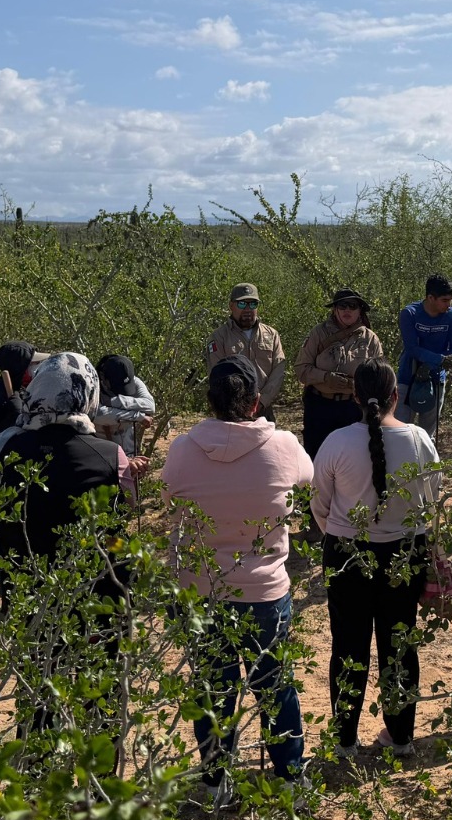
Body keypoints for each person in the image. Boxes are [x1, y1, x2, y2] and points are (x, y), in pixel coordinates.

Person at [161, 356, 313, 793]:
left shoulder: (182, 448)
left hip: (201, 590)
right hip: (265, 590)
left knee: (213, 688)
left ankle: (215, 782)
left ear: (209, 401)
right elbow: (307, 485)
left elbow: (169, 499)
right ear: (256, 402)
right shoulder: (284, 445)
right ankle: (289, 777)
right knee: (275, 685)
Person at [0, 353, 134, 738]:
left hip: (31, 596)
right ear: (87, 395)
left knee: (39, 693)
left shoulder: (7, 451)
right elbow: (119, 525)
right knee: (100, 693)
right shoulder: (111, 456)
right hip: (97, 597)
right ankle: (99, 768)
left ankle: (38, 767)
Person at [311, 358, 441, 757]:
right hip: (405, 552)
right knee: (399, 645)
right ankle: (401, 738)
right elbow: (432, 500)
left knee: (347, 646)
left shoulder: (335, 442)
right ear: (396, 395)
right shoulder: (419, 439)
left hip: (347, 553)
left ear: (354, 396)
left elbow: (319, 505)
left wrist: (342, 532)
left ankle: (344, 741)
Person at [296, 288, 385, 460]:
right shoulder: (318, 333)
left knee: (352, 459)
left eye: (352, 306)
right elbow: (301, 369)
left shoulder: (370, 339)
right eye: (342, 306)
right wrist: (325, 378)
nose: (347, 310)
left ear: (360, 310)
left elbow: (379, 377)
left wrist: (356, 384)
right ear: (335, 309)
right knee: (316, 457)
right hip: (320, 407)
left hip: (354, 408)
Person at [397, 275, 452, 441]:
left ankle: (426, 459)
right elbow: (412, 348)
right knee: (401, 431)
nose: (449, 305)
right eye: (444, 300)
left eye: (450, 300)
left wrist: (433, 364)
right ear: (430, 298)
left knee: (427, 435)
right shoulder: (410, 313)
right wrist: (440, 359)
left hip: (436, 378)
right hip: (408, 377)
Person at [206, 284, 287, 421]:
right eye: (242, 304)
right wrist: (239, 405)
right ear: (231, 306)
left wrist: (262, 401)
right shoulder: (219, 337)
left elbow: (279, 370)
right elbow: (217, 375)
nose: (248, 309)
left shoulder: (271, 335)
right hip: (232, 413)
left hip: (264, 410)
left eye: (253, 304)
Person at [0, 341, 48, 445]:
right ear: (19, 368)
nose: (38, 366)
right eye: (34, 363)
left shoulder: (26, 391)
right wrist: (12, 417)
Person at [94, 353, 156, 456]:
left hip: (131, 453)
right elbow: (99, 414)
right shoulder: (93, 387)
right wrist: (138, 416)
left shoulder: (132, 380)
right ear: (103, 378)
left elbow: (150, 406)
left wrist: (113, 401)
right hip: (104, 456)